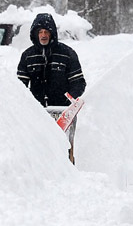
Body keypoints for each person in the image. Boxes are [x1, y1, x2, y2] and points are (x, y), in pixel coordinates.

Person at [16, 12, 86, 162]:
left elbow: (78, 82)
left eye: (46, 32)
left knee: (64, 147)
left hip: (63, 112)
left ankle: (69, 168)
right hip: (38, 111)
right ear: (34, 34)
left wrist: (70, 102)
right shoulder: (28, 56)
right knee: (39, 146)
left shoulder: (67, 54)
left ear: (52, 33)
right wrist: (27, 104)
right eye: (40, 32)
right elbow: (19, 85)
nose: (43, 35)